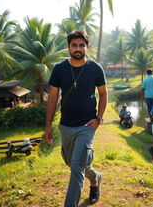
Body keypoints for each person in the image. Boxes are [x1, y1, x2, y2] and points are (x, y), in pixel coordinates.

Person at [44, 31, 108, 207]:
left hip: (87, 125)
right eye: (74, 45)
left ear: (87, 47)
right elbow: (52, 97)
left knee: (77, 168)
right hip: (66, 125)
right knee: (72, 163)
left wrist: (98, 119)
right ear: (68, 47)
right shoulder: (59, 69)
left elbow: (103, 94)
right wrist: (48, 126)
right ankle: (95, 178)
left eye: (81, 45)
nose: (78, 48)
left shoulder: (95, 68)